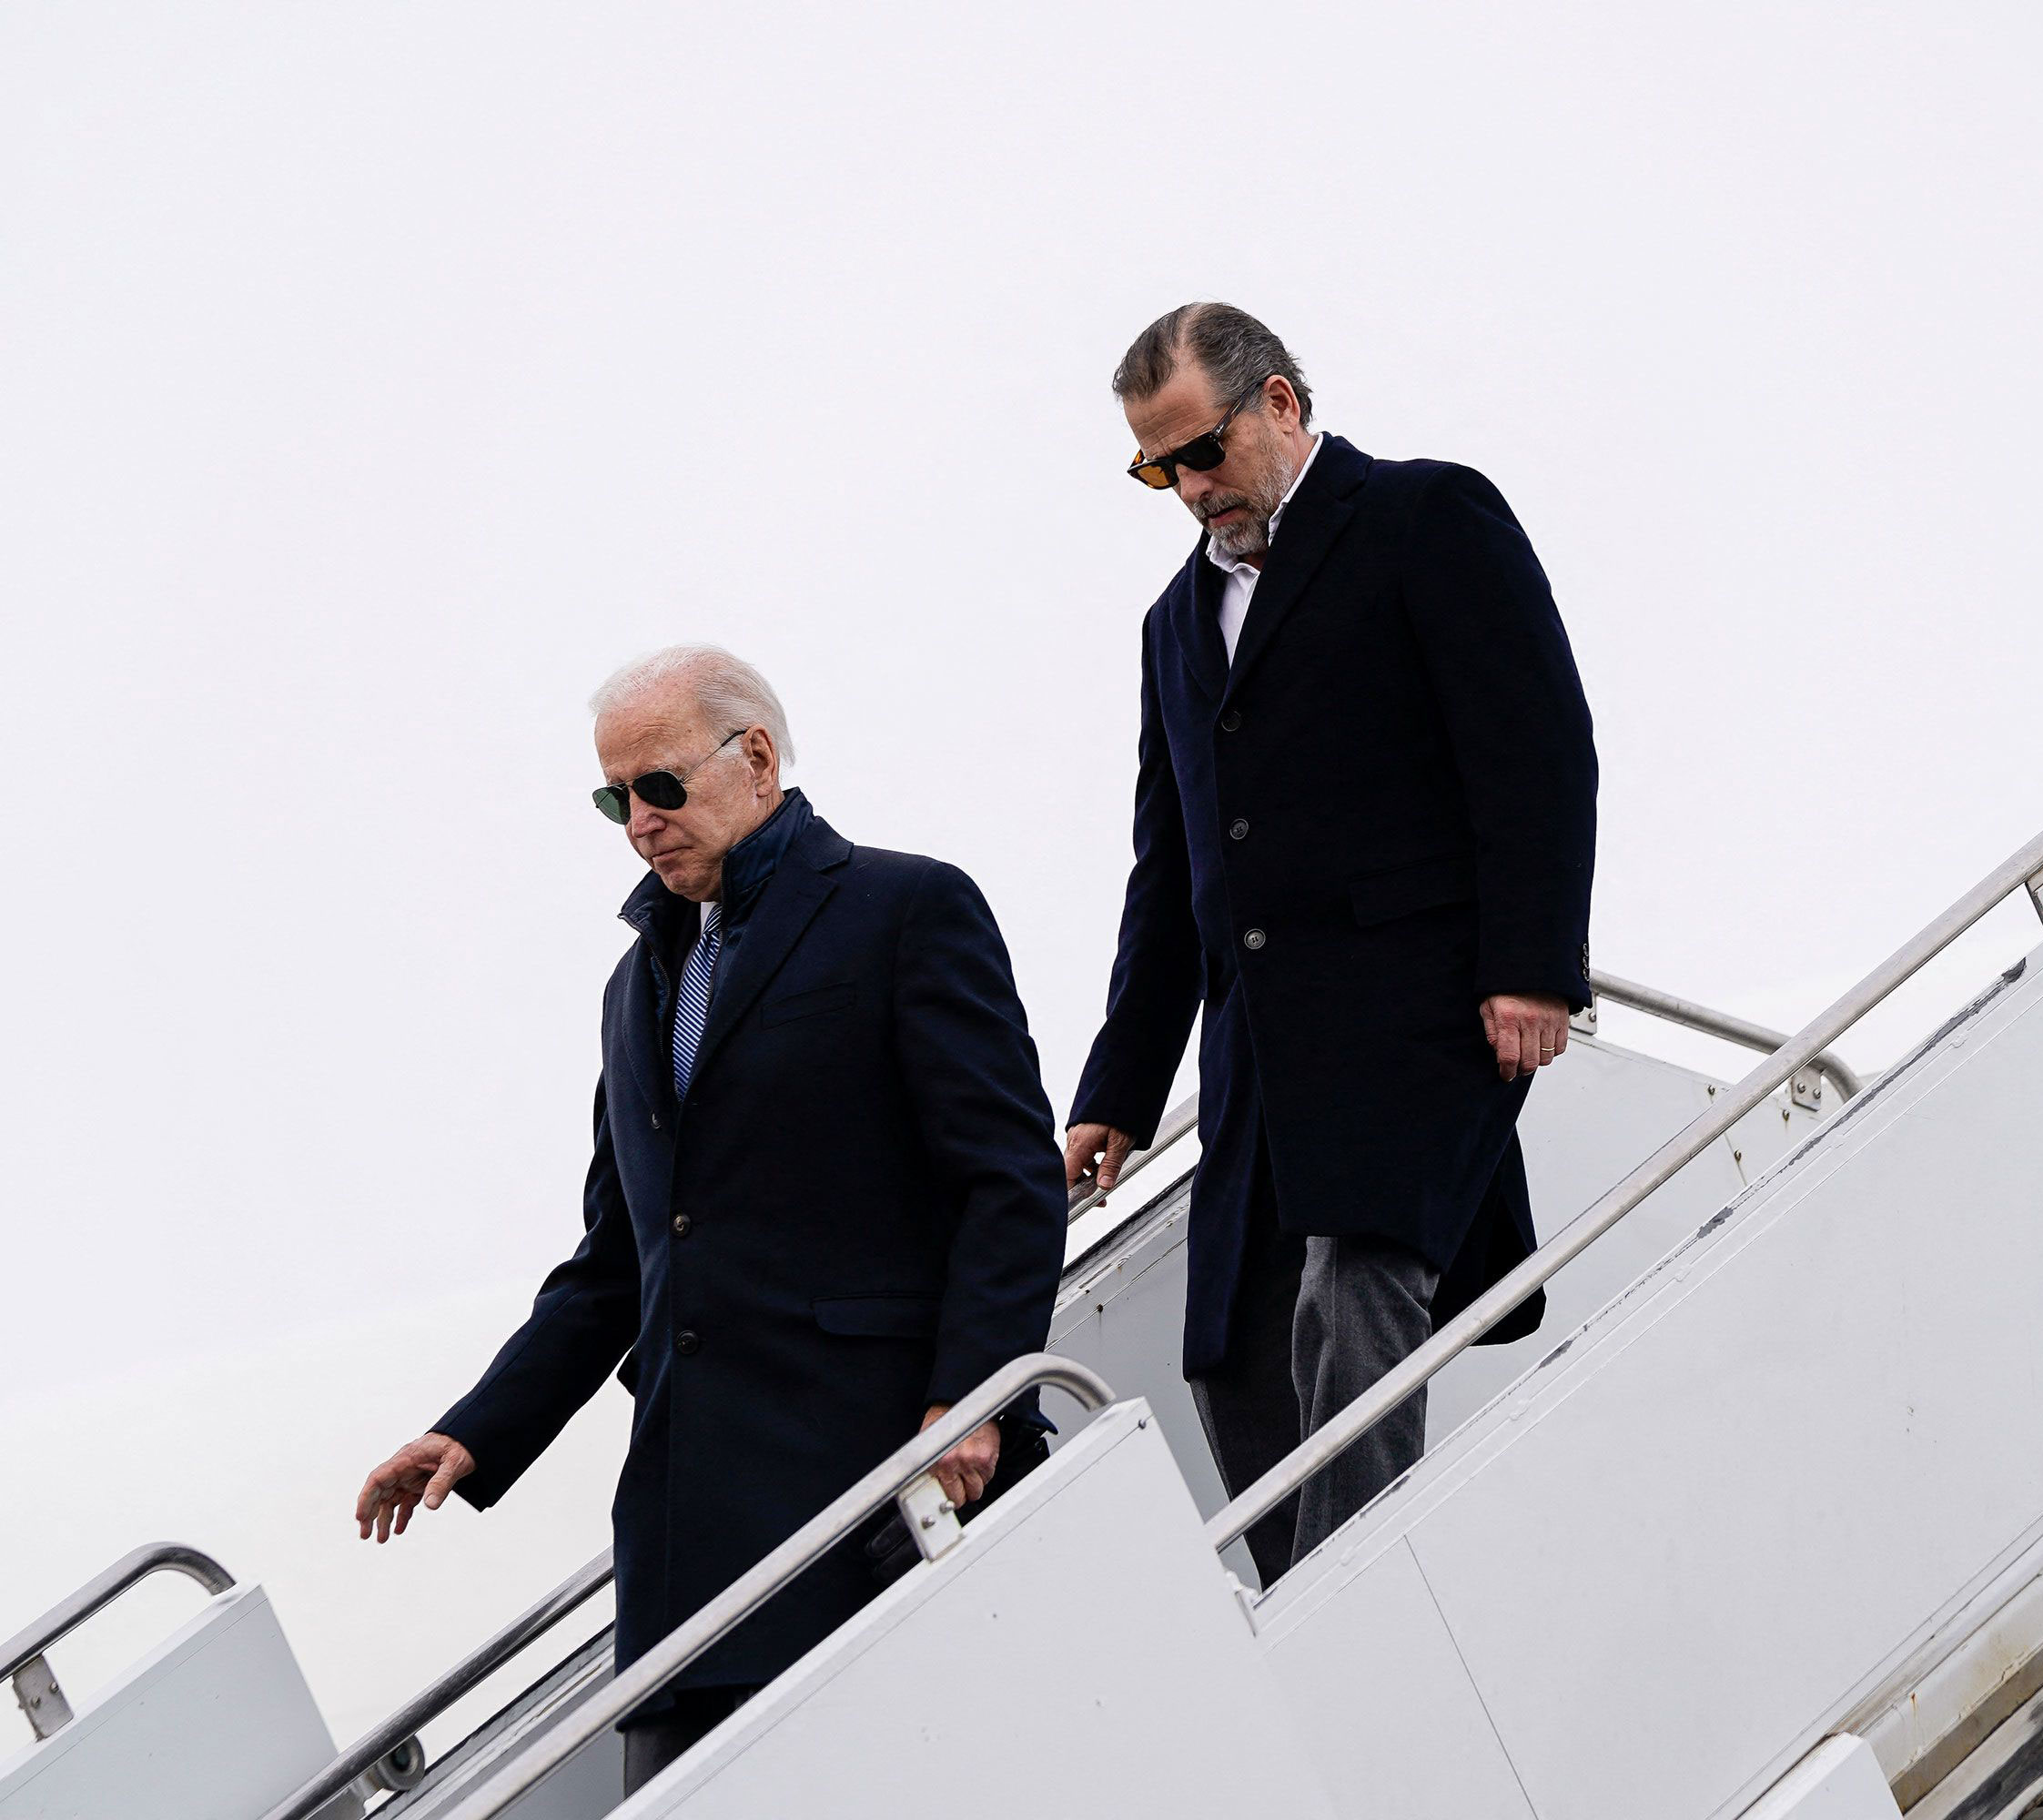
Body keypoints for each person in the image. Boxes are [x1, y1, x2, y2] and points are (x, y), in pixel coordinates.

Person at [352, 645, 1067, 1793]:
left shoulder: (904, 907)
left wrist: (972, 1401)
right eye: (614, 798)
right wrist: (478, 1428)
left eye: (661, 786)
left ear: (758, 758)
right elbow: (612, 1264)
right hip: (691, 1542)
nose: (639, 820)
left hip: (882, 1489)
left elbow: (1008, 1179)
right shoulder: (632, 989)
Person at [1065, 304, 1598, 1585]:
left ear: (1283, 405)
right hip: (1260, 1052)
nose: (1189, 489)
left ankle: (1362, 1596)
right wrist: (1118, 1094)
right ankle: (1310, 1604)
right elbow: (1172, 872)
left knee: (1354, 1286)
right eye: (1158, 469)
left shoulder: (1425, 519)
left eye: (1201, 452)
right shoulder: (1173, 625)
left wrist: (1533, 965)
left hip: (1415, 1013)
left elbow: (1535, 748)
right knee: (1231, 1358)